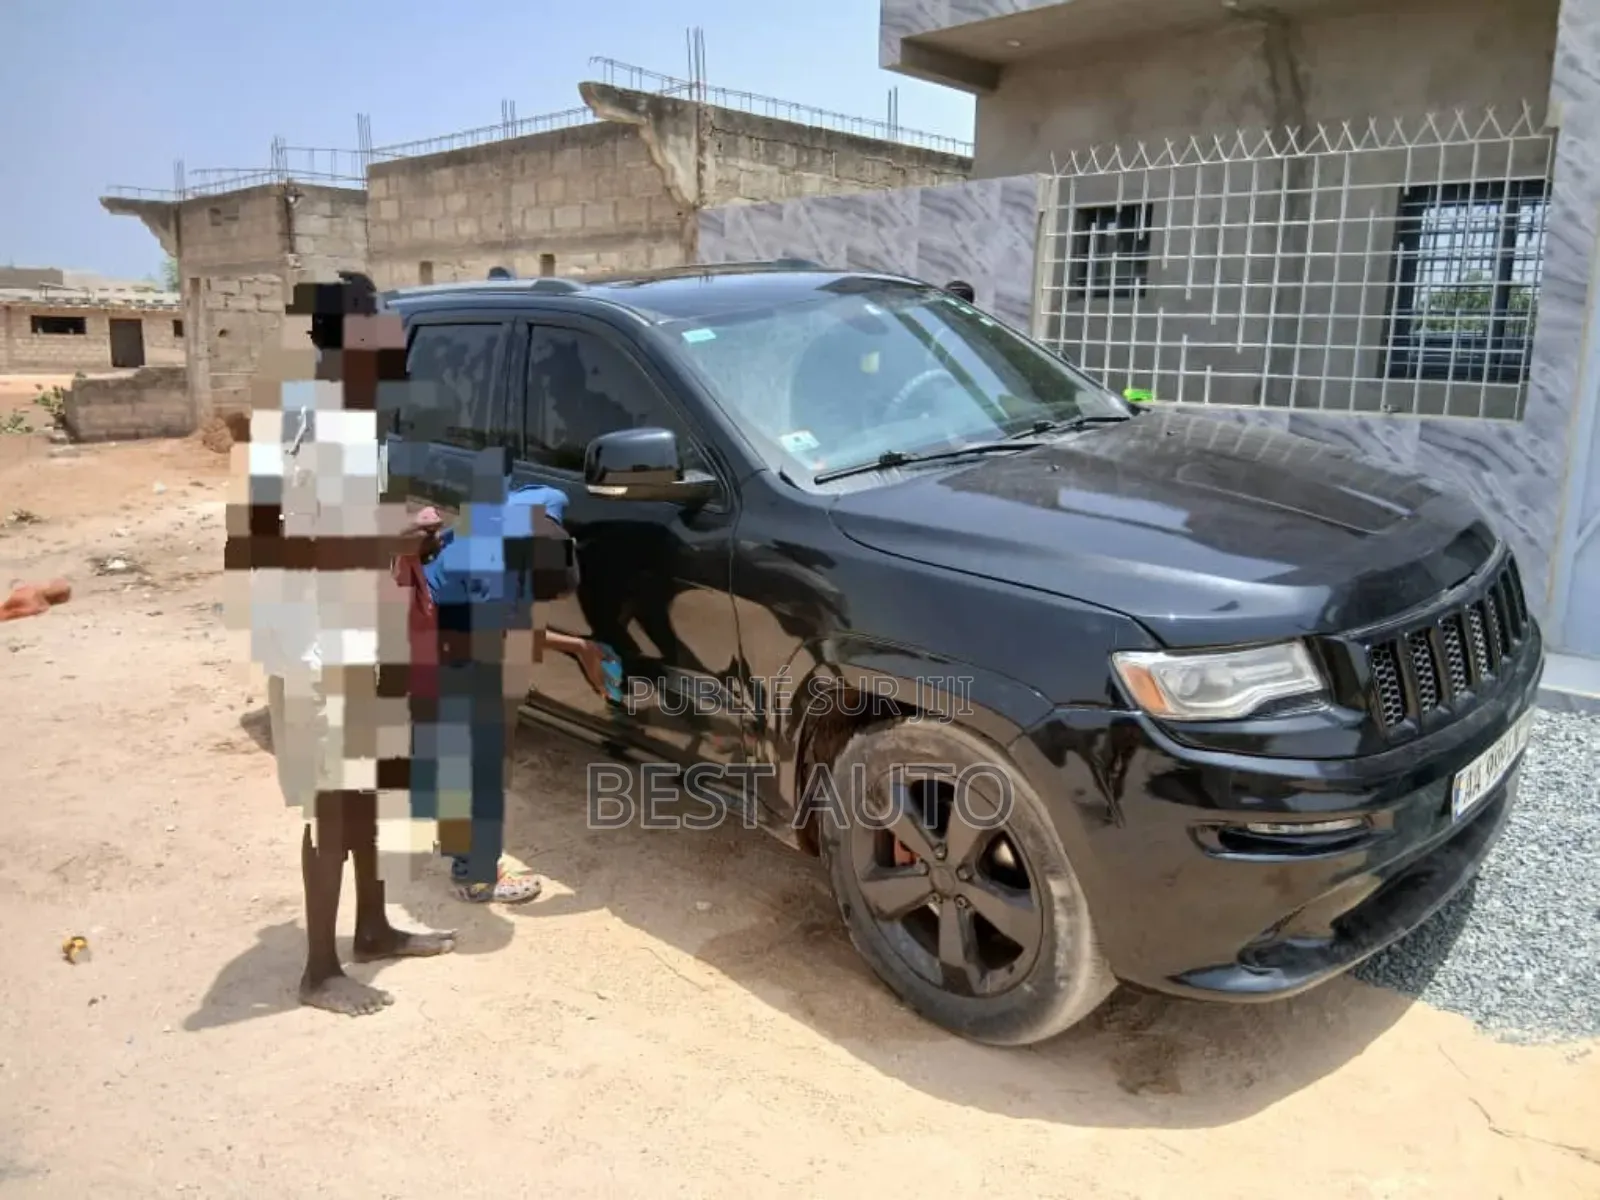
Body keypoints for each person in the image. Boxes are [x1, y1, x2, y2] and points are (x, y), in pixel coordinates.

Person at [232, 273, 454, 1018]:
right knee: (335, 801)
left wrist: (406, 533)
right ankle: (319, 970)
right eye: (379, 325)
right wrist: (388, 536)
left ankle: (374, 928)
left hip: (358, 629)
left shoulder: (346, 417)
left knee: (375, 787)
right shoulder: (308, 421)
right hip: (314, 642)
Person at [411, 444, 599, 903]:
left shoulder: (521, 515)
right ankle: (475, 877)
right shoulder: (486, 569)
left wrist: (578, 647)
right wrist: (578, 648)